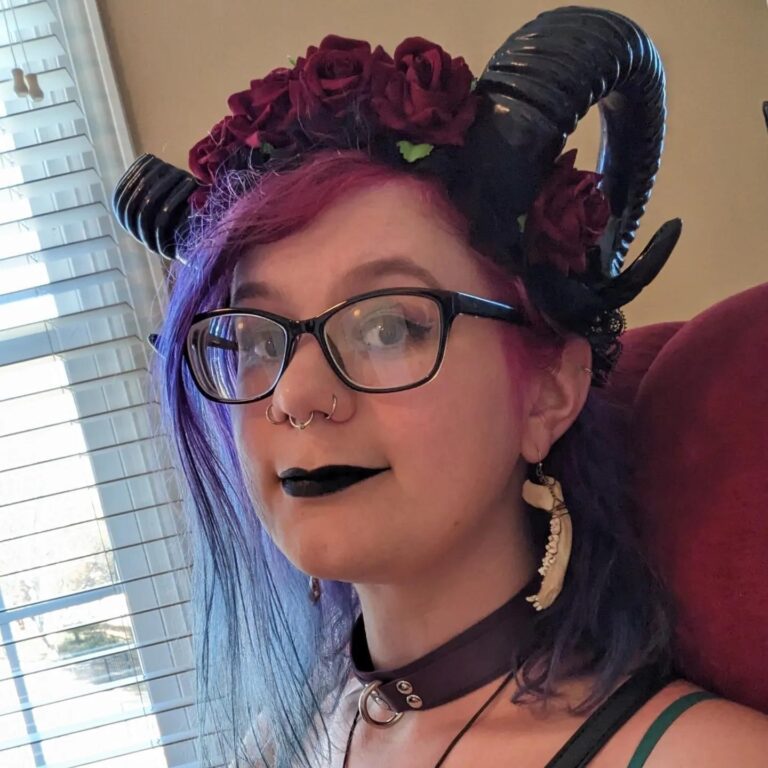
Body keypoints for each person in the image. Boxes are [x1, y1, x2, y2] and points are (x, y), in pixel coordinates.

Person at [112, 7, 768, 767]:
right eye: (259, 339)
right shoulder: (289, 739)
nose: (294, 396)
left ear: (549, 393)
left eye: (388, 326)